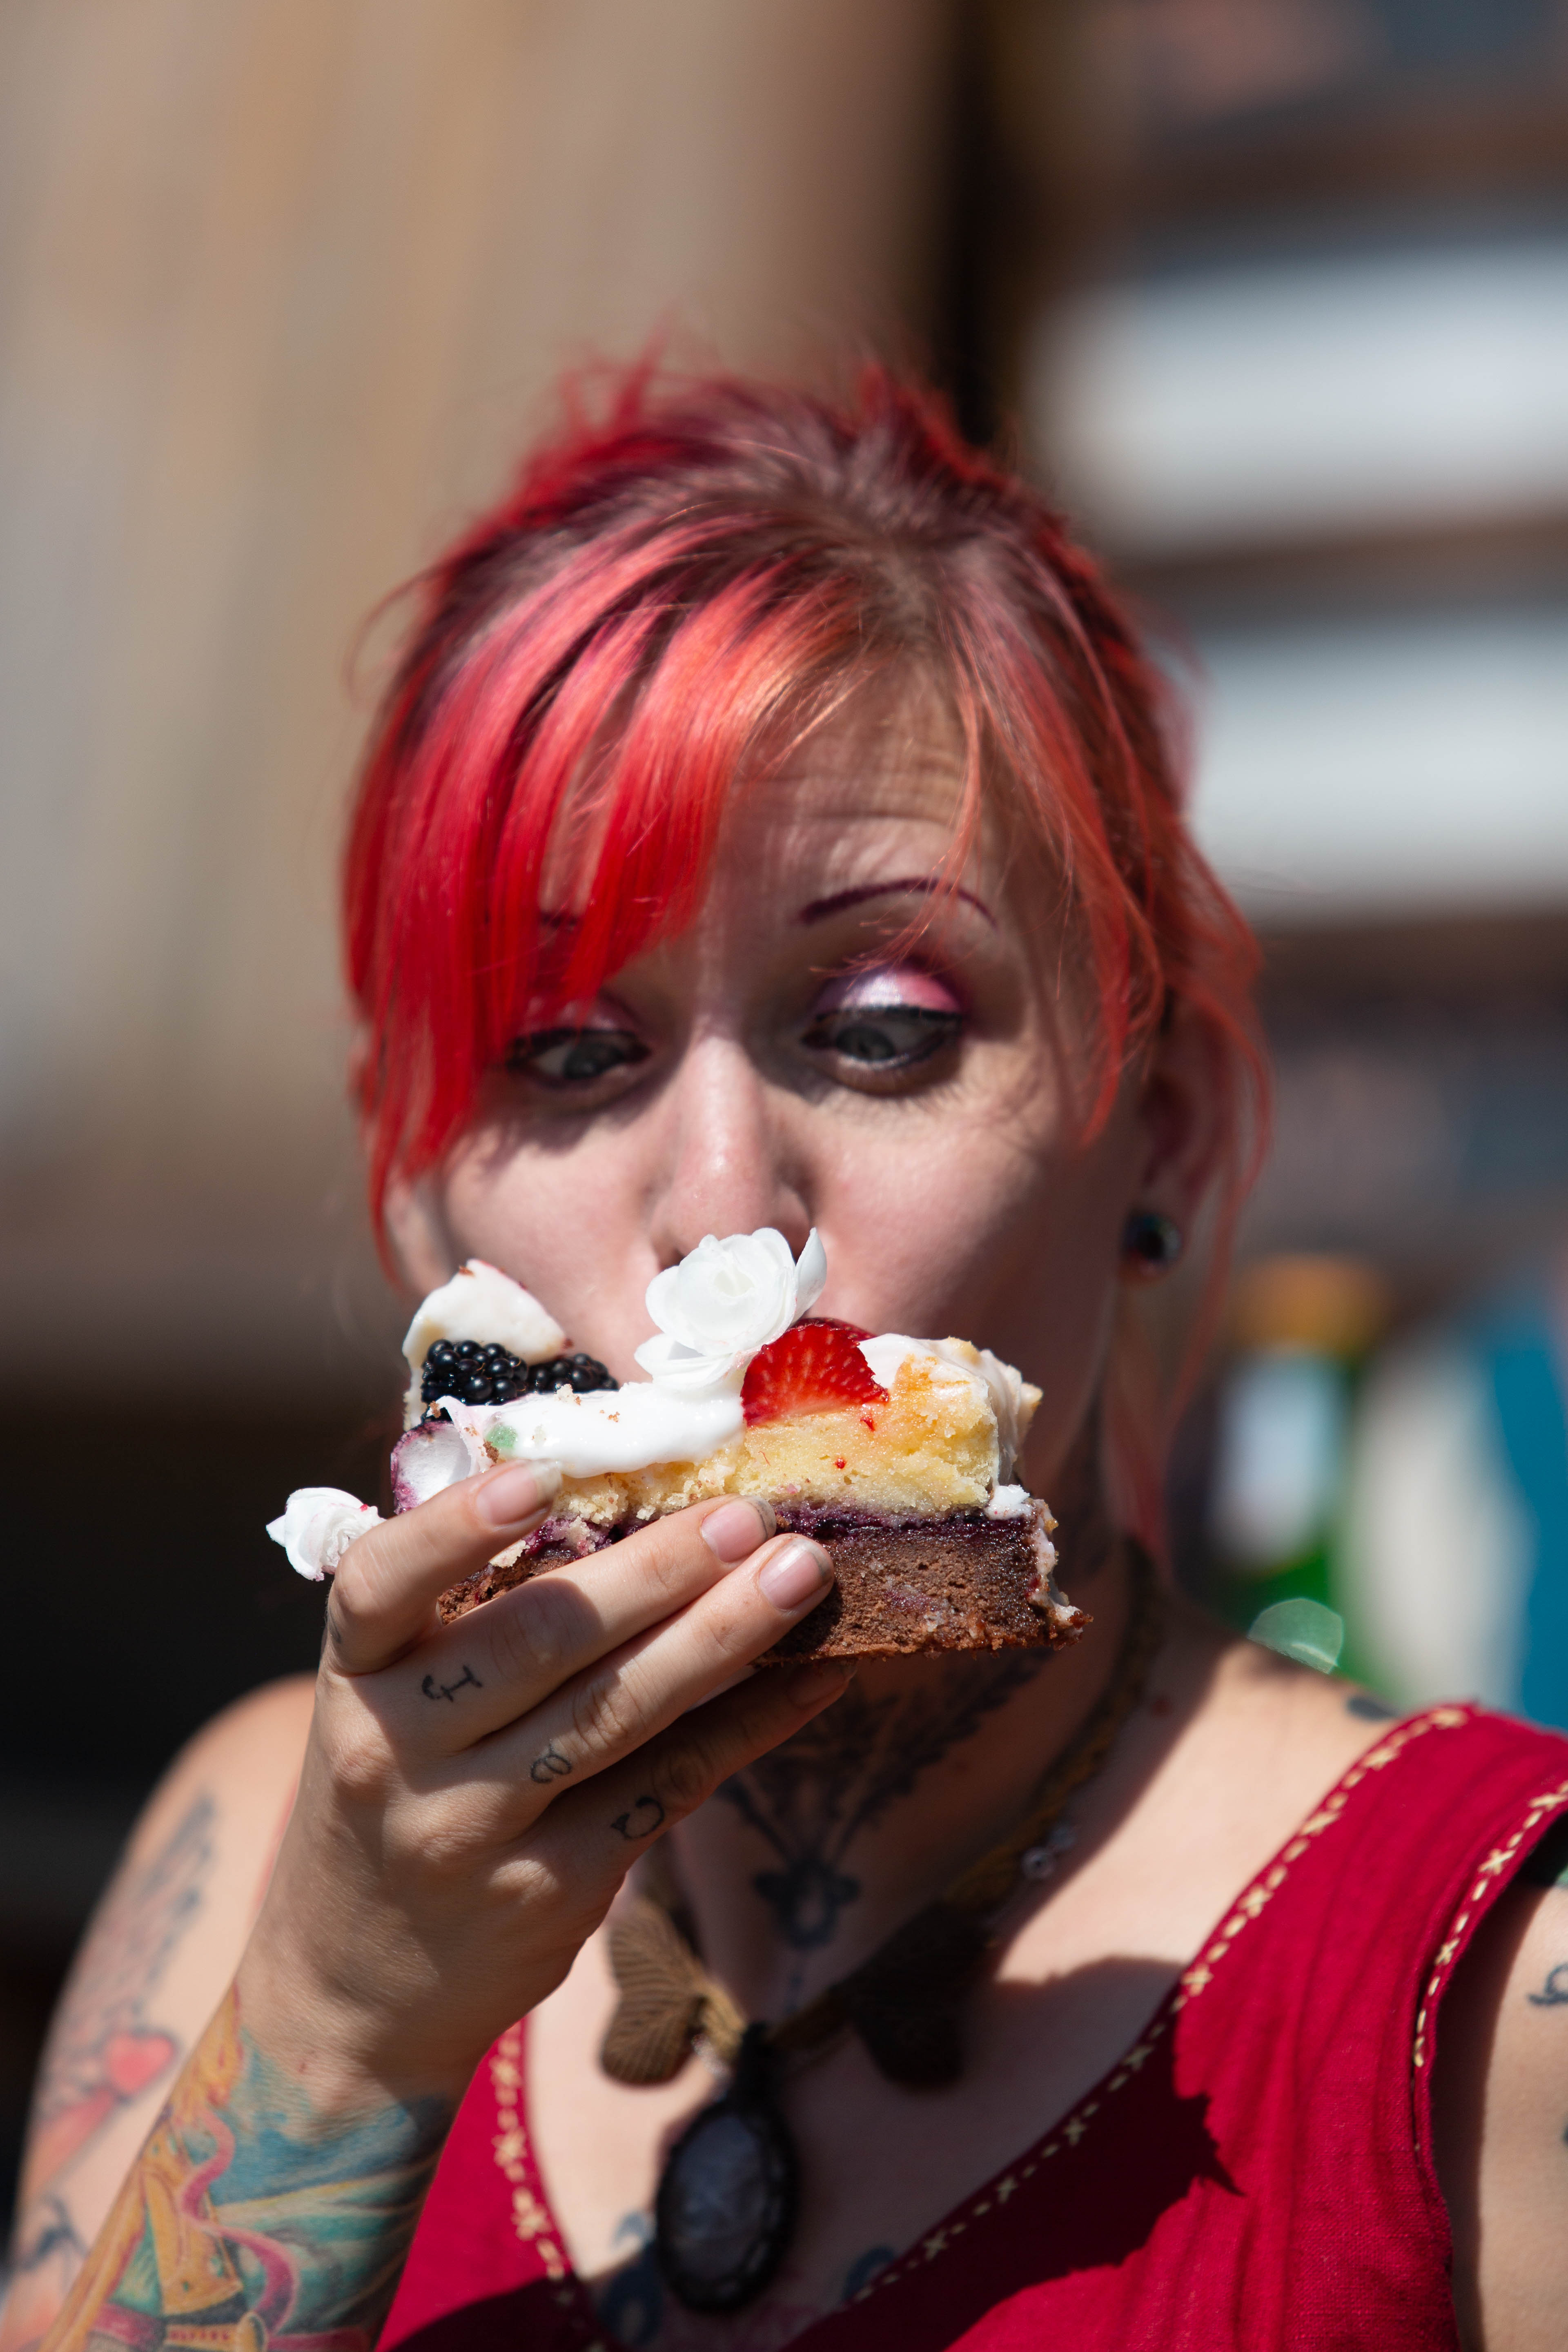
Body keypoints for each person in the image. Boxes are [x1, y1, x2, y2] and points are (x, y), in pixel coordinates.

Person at [6, 368, 1568, 2352]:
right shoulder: (262, 1862)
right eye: (573, 1052)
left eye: (887, 1029)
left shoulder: (1496, 1985)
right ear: (415, 1196)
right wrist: (330, 2040)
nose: (727, 1208)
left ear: (1158, 1130)